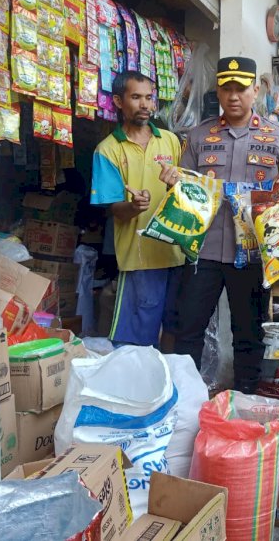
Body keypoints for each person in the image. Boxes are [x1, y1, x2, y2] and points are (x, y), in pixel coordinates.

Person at [159, 56, 279, 394]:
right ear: (219, 91)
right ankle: (188, 401)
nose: (234, 95)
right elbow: (184, 187)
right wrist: (173, 182)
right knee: (189, 330)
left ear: (255, 91)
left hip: (253, 252)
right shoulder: (198, 136)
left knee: (249, 333)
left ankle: (245, 401)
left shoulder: (277, 135)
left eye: (241, 88)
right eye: (227, 88)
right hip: (204, 252)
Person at [90, 71, 184, 349]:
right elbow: (114, 209)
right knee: (136, 341)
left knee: (176, 329)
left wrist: (176, 187)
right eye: (136, 97)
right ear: (119, 101)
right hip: (140, 258)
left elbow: (188, 192)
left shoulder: (170, 141)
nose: (145, 104)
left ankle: (167, 383)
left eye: (148, 98)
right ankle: (138, 391)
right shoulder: (107, 150)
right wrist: (133, 206)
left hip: (178, 252)